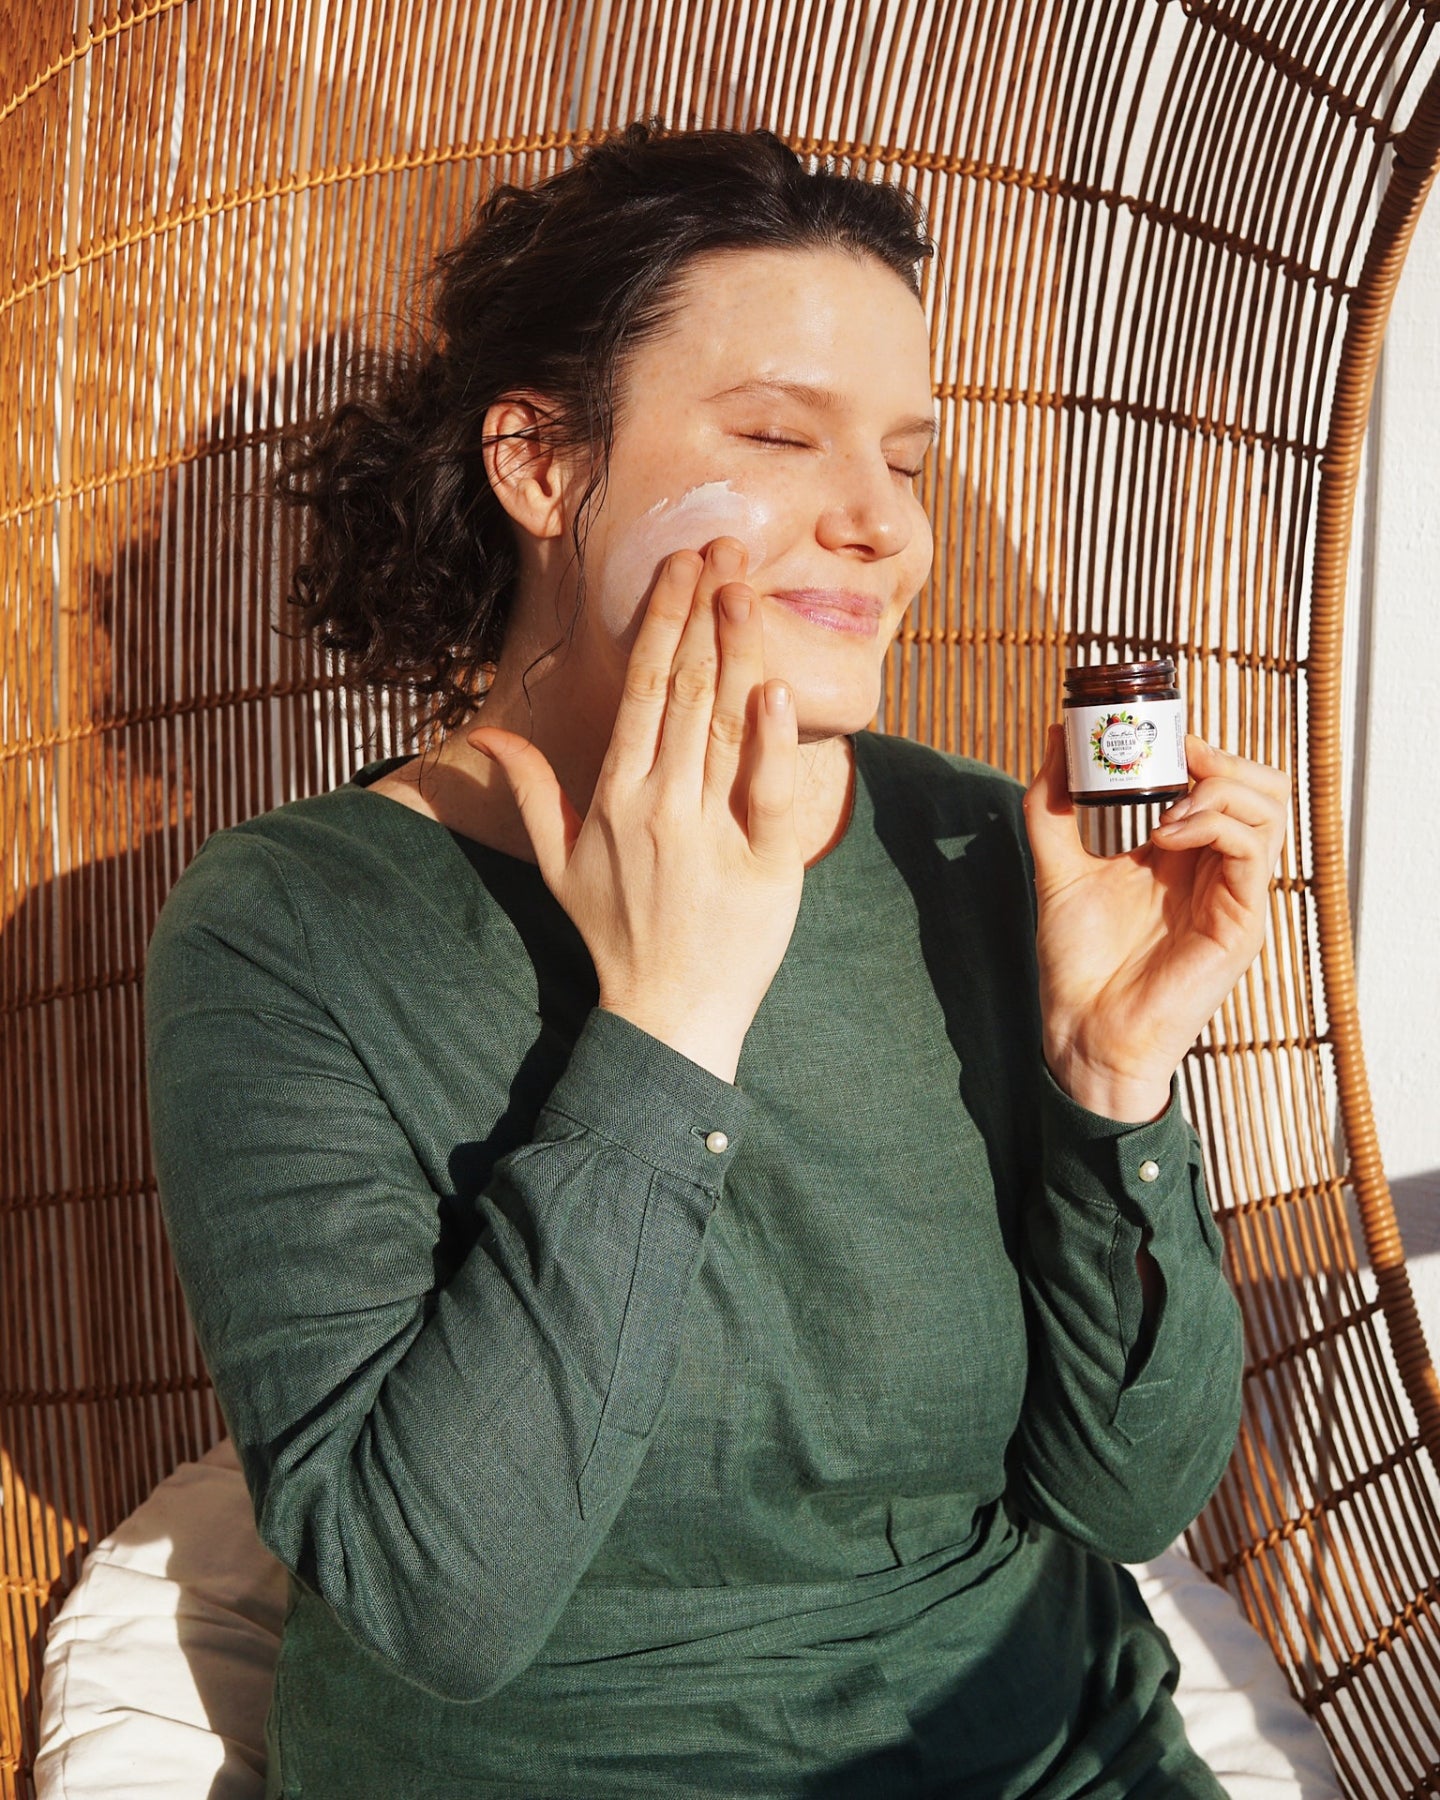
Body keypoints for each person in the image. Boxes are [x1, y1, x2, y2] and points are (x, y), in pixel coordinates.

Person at [143, 122, 1289, 1798]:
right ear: (540, 464)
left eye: (904, 459)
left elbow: (1128, 1497)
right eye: (774, 434)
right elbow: (434, 1599)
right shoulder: (297, 926)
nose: (882, 528)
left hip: (1043, 1753)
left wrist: (1113, 1087)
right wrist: (666, 1022)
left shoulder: (979, 854)